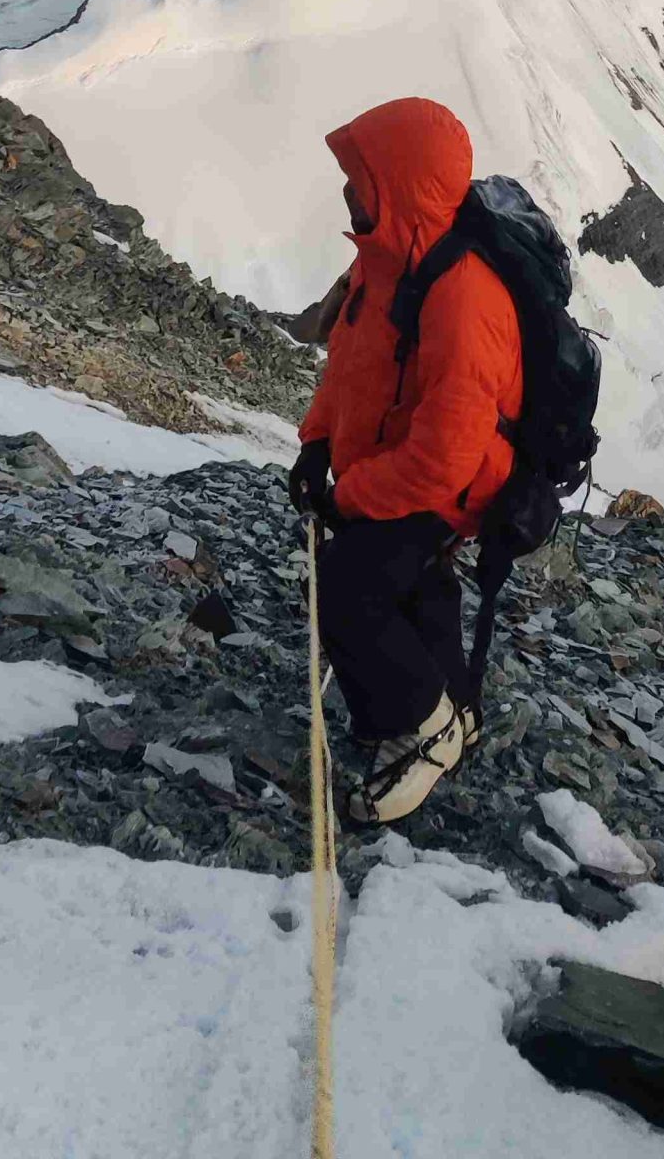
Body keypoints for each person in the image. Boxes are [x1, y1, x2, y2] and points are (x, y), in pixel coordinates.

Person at [288, 95, 522, 827]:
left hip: (452, 485)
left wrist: (351, 497)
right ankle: (456, 706)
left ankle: (423, 729)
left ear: (399, 185)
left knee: (349, 589)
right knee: (415, 585)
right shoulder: (386, 261)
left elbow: (445, 457)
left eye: (361, 177)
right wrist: (317, 443)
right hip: (404, 466)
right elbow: (350, 367)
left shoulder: (463, 296)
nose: (347, 190)